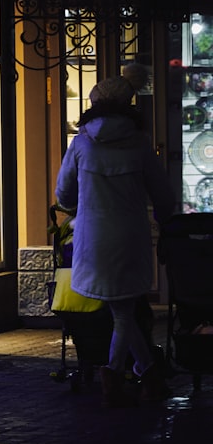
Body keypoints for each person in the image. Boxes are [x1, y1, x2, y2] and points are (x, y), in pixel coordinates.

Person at [55, 76, 174, 408]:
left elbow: (64, 193)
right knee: (124, 307)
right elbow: (162, 194)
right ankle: (130, 372)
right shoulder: (139, 143)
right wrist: (166, 221)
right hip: (130, 235)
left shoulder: (81, 143)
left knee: (119, 307)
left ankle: (130, 372)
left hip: (92, 236)